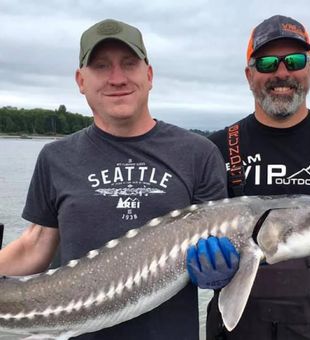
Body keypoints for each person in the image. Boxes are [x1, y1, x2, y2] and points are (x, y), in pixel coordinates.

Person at [0, 19, 229, 339]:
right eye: (101, 66)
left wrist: (221, 274)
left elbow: (219, 248)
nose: (117, 78)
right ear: (81, 80)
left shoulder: (198, 153)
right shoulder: (55, 157)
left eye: (129, 64)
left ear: (149, 75)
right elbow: (34, 245)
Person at [187, 15, 310, 339]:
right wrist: (205, 272)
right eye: (267, 63)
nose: (282, 73)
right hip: (238, 323)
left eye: (295, 61)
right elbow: (187, 234)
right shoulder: (215, 148)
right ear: (249, 74)